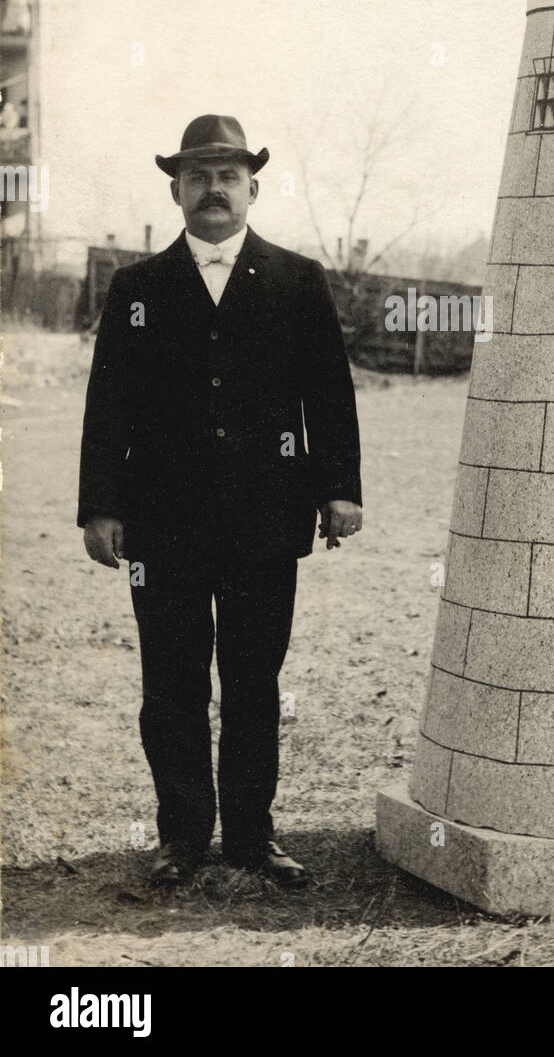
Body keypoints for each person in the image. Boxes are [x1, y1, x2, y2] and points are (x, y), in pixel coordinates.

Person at [78, 114, 363, 889]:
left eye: (228, 175)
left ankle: (249, 837)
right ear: (176, 189)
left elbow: (327, 394)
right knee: (170, 684)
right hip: (162, 524)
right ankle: (179, 838)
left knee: (251, 682)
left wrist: (339, 487)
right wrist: (99, 506)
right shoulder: (137, 289)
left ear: (252, 188)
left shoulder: (297, 281)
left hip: (264, 522)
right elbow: (108, 403)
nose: (213, 188)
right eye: (198, 175)